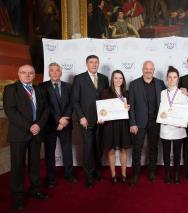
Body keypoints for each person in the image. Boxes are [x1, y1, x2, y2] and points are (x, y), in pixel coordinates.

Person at [3, 65, 49, 211]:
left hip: (36, 133)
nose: (27, 75)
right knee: (18, 166)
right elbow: (10, 111)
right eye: (24, 73)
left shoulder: (40, 90)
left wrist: (39, 125)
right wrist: (29, 126)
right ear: (18, 74)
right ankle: (17, 196)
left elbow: (47, 109)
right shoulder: (11, 89)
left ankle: (35, 189)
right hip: (19, 134)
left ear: (34, 75)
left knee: (35, 164)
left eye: (30, 73)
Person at [71, 55, 109, 188]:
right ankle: (89, 176)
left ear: (99, 64)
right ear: (86, 64)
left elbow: (107, 98)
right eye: (91, 62)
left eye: (96, 62)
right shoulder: (79, 78)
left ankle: (97, 171)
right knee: (88, 148)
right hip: (86, 120)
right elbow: (75, 100)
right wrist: (81, 117)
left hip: (101, 120)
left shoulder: (104, 78)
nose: (94, 64)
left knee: (98, 147)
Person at [39, 62, 77, 189]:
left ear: (61, 73)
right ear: (49, 72)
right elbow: (45, 106)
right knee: (50, 153)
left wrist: (64, 120)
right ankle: (50, 178)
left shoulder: (68, 86)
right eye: (52, 70)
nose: (55, 73)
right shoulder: (42, 87)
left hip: (66, 124)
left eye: (57, 71)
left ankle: (69, 174)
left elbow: (71, 104)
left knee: (67, 151)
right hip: (50, 125)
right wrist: (58, 120)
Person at [129, 60, 166, 185]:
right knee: (137, 149)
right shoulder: (134, 84)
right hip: (139, 123)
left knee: (153, 148)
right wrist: (132, 123)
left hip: (156, 121)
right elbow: (131, 106)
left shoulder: (160, 84)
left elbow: (169, 98)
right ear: (142, 69)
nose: (148, 71)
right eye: (146, 68)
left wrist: (182, 91)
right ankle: (135, 174)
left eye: (151, 69)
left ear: (153, 70)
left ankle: (151, 172)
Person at [99, 70, 131, 184]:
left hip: (123, 124)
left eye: (120, 78)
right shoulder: (105, 92)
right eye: (116, 78)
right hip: (110, 125)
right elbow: (102, 110)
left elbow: (130, 109)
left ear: (123, 80)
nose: (118, 80)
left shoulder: (126, 93)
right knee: (111, 149)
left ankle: (123, 175)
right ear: (112, 79)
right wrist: (101, 118)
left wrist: (129, 108)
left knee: (123, 149)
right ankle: (113, 176)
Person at [160, 66, 188, 184]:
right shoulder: (162, 93)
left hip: (178, 128)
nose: (172, 79)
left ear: (178, 79)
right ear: (167, 79)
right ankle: (167, 174)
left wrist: (181, 122)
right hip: (165, 127)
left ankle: (176, 174)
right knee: (166, 153)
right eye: (170, 77)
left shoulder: (183, 93)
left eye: (174, 77)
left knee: (177, 153)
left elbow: (187, 109)